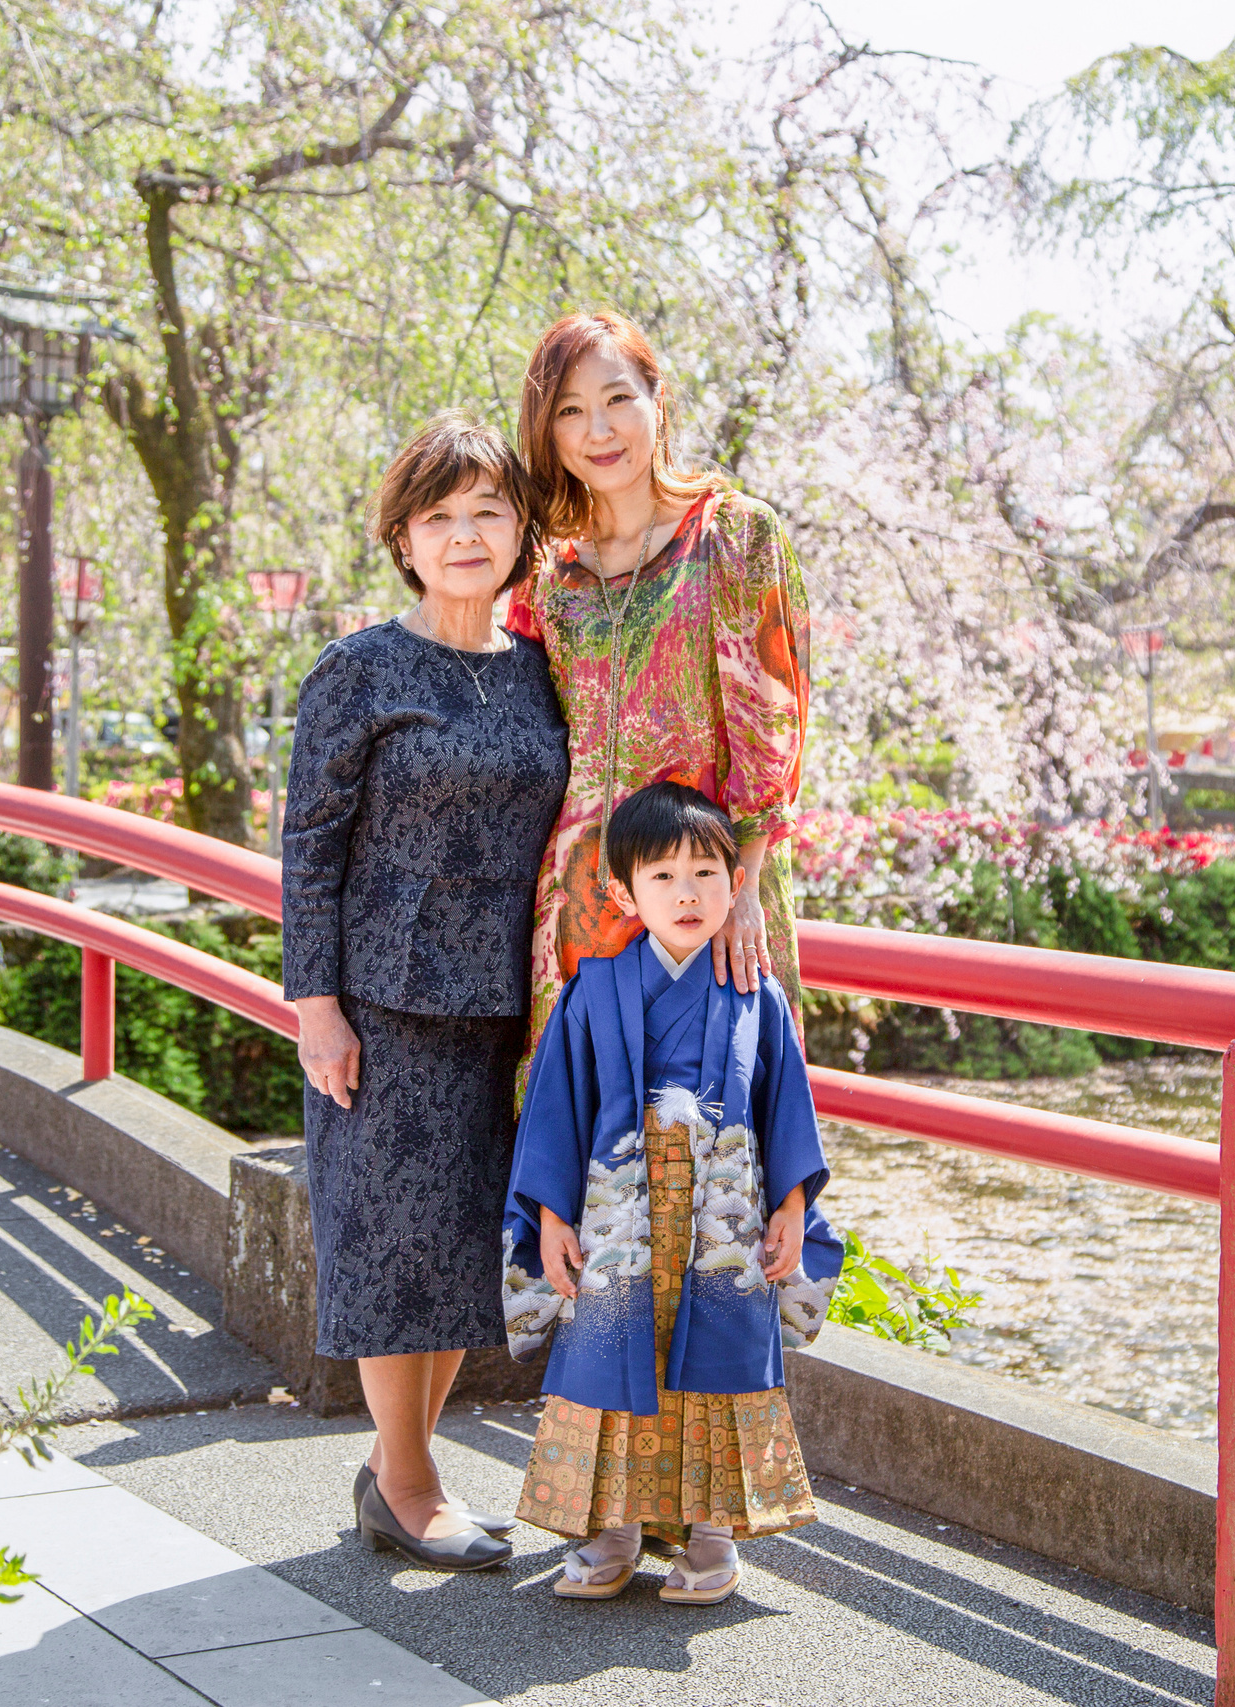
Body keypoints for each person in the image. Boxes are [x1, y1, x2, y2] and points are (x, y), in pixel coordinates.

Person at [281, 413, 570, 1573]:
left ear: (519, 531)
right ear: (403, 537)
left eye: (487, 512)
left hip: (512, 994)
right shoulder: (360, 670)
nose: (464, 535)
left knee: (461, 1246)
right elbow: (309, 843)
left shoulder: (543, 669)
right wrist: (316, 1006)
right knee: (390, 1241)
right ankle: (405, 1482)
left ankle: (402, 1469)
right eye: (439, 516)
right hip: (389, 998)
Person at [500, 781, 842, 1605]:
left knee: (714, 1370)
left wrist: (794, 1207)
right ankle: (611, 1526)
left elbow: (785, 1106)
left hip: (722, 1217)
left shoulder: (758, 995)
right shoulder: (594, 990)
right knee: (611, 1356)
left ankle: (714, 1532)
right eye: (662, 876)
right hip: (615, 1212)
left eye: (705, 872)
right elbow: (557, 1107)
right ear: (623, 891)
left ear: (736, 883)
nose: (687, 893)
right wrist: (550, 1214)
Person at [507, 310, 812, 1071]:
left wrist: (742, 887)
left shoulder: (735, 536)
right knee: (583, 1157)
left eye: (617, 398)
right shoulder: (546, 571)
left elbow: (769, 730)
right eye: (570, 411)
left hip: (701, 895)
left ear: (656, 398)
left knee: (713, 1147)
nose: (598, 429)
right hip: (575, 906)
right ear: (548, 433)